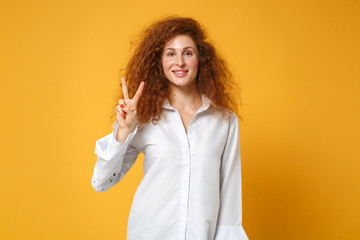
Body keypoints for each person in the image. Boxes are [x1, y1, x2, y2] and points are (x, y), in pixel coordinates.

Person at [91, 16, 249, 240]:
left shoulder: (224, 121)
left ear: (200, 59)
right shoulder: (143, 117)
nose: (180, 62)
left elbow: (230, 204)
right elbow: (101, 182)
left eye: (188, 53)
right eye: (170, 53)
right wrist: (124, 132)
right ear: (160, 62)